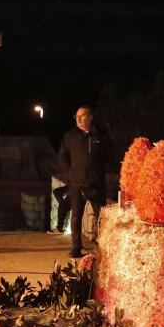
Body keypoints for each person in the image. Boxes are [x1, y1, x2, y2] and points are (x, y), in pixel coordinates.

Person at [58, 106, 113, 258]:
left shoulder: (101, 135)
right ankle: (76, 247)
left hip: (97, 184)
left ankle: (103, 247)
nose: (79, 119)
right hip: (77, 184)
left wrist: (101, 172)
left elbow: (110, 155)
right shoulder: (70, 136)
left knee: (101, 217)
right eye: (76, 116)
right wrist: (70, 173)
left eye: (82, 116)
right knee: (76, 217)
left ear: (90, 117)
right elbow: (62, 156)